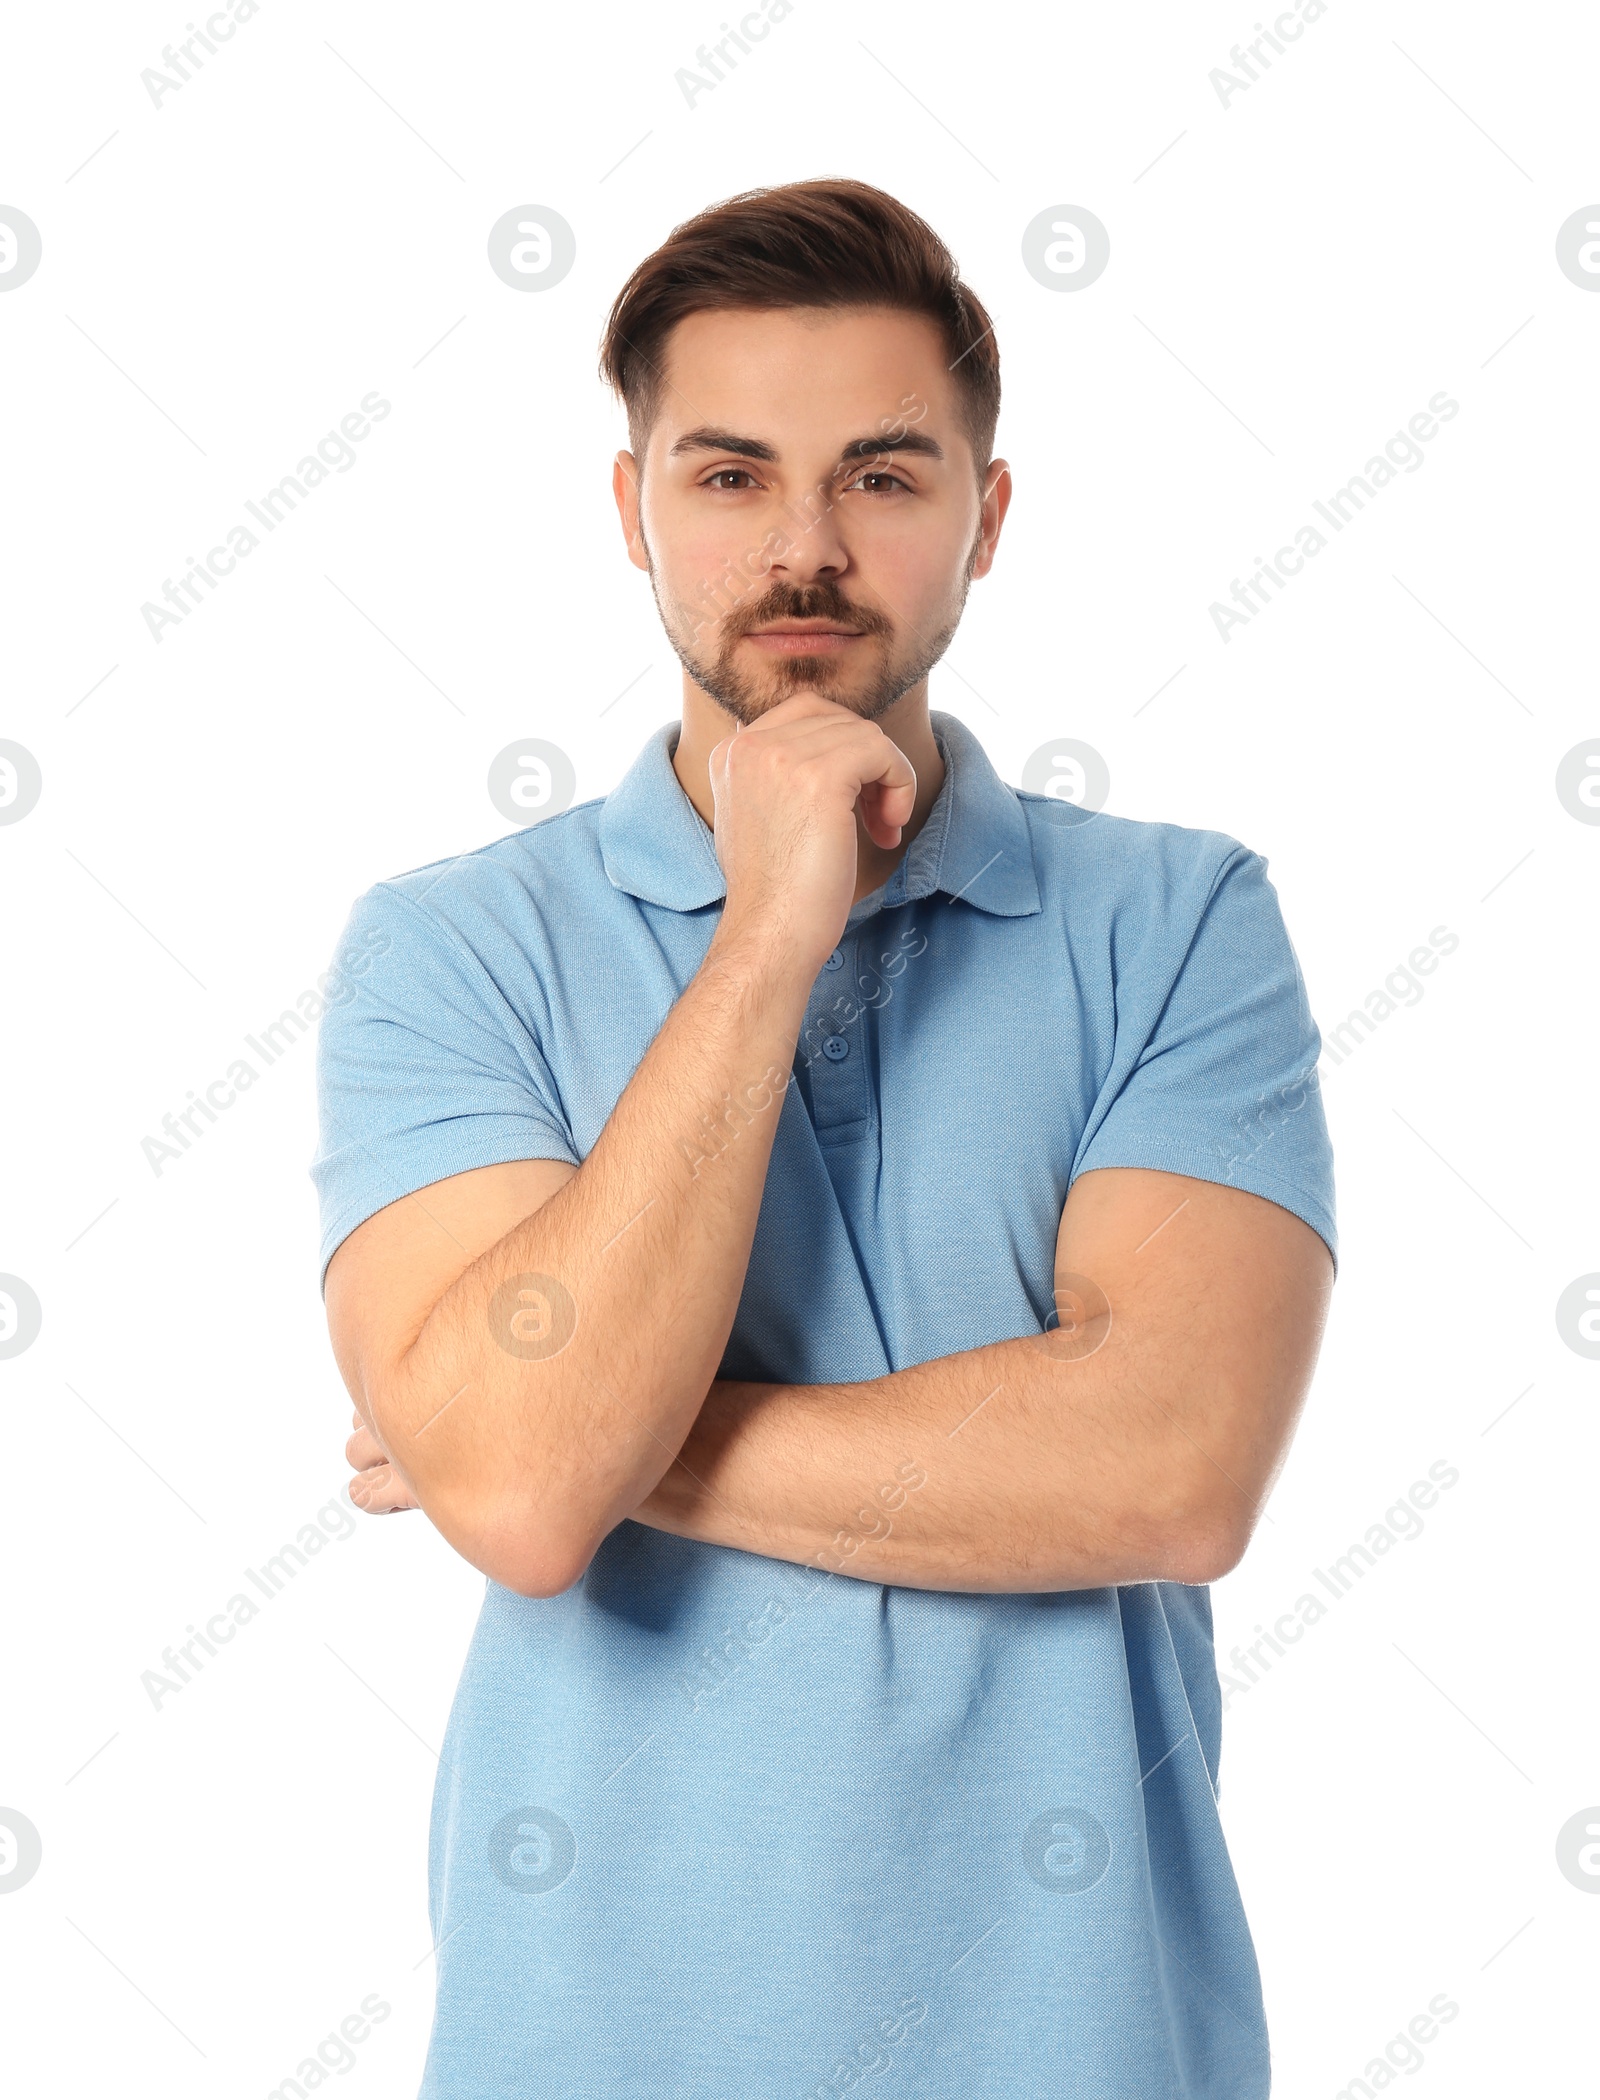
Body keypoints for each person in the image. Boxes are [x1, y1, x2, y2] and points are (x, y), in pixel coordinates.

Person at [313, 176, 1336, 2099]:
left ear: (985, 517)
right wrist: (771, 931)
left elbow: (1177, 1473)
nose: (804, 548)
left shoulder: (1179, 922)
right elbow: (526, 1501)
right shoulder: (447, 949)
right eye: (727, 478)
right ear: (631, 512)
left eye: (880, 474)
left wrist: (572, 1436)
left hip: (1085, 2049)